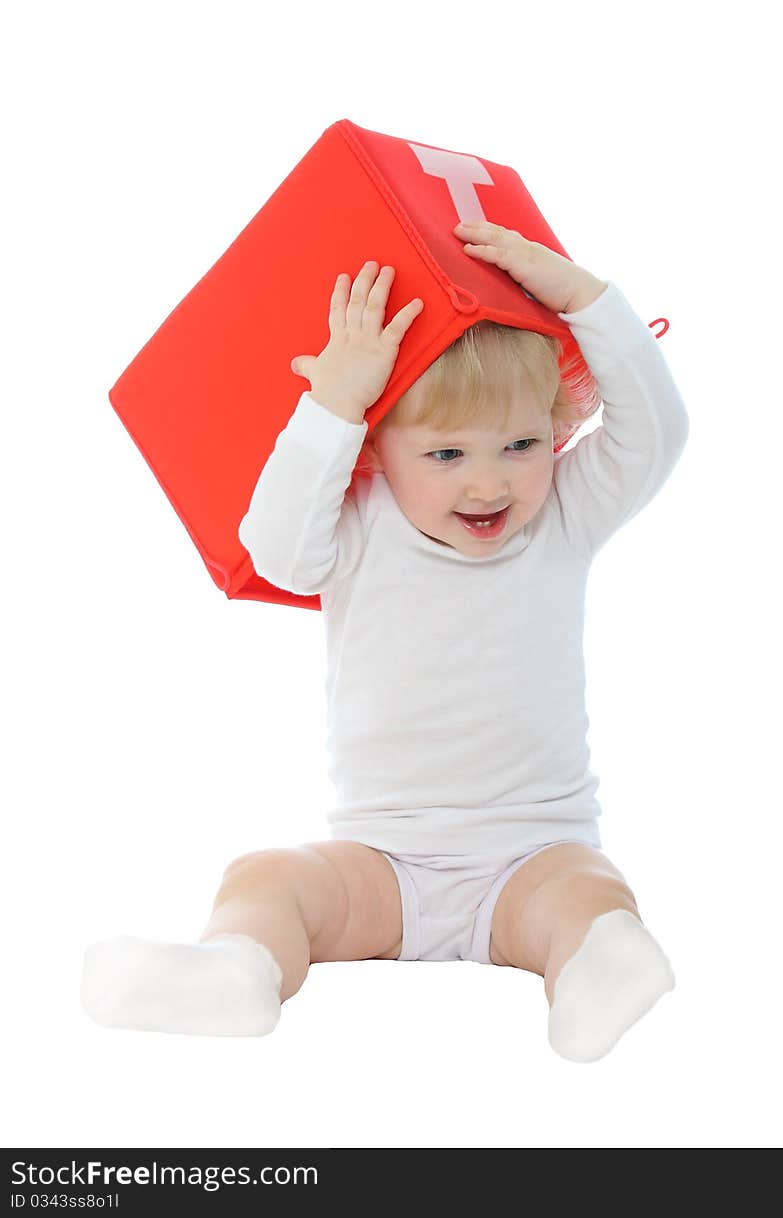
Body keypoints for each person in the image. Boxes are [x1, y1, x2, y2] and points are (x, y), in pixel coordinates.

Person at [82, 221, 689, 1062]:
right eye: (446, 452)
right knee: (266, 874)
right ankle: (235, 969)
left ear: (556, 432)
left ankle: (597, 969)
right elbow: (277, 551)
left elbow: (657, 432)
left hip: (531, 853)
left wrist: (587, 302)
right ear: (373, 449)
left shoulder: (565, 514)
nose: (490, 481)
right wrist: (332, 401)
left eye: (521, 444)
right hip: (383, 860)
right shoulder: (355, 525)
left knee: (590, 892)